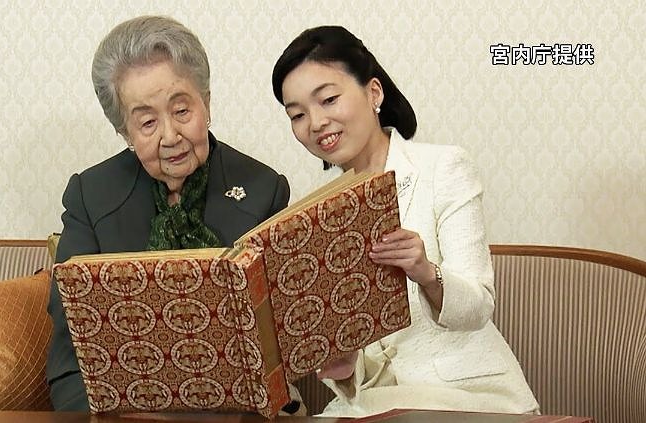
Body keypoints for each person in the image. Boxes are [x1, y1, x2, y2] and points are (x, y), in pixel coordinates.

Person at [271, 26, 540, 417]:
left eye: (328, 99)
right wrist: (345, 366)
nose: (315, 122)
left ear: (373, 93)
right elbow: (358, 356)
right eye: (297, 115)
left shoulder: (443, 167)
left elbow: (479, 306)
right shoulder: (318, 211)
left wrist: (427, 273)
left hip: (464, 396)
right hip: (374, 403)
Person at [46, 15, 303, 414]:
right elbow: (71, 337)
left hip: (232, 409)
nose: (170, 135)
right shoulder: (91, 195)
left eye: (182, 110)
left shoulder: (263, 189)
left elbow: (279, 339)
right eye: (148, 122)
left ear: (206, 103)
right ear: (125, 132)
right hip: (118, 410)